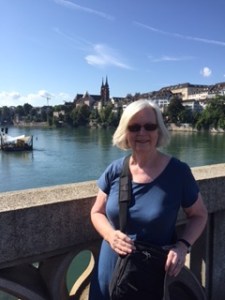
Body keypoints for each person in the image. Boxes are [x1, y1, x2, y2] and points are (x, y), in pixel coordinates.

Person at [88, 99, 208, 300]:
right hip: (109, 268)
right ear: (126, 132)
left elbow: (199, 215)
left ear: (158, 131)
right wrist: (110, 235)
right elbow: (96, 212)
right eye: (134, 127)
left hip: (149, 275)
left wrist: (182, 246)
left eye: (149, 126)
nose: (142, 133)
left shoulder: (178, 172)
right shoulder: (115, 170)